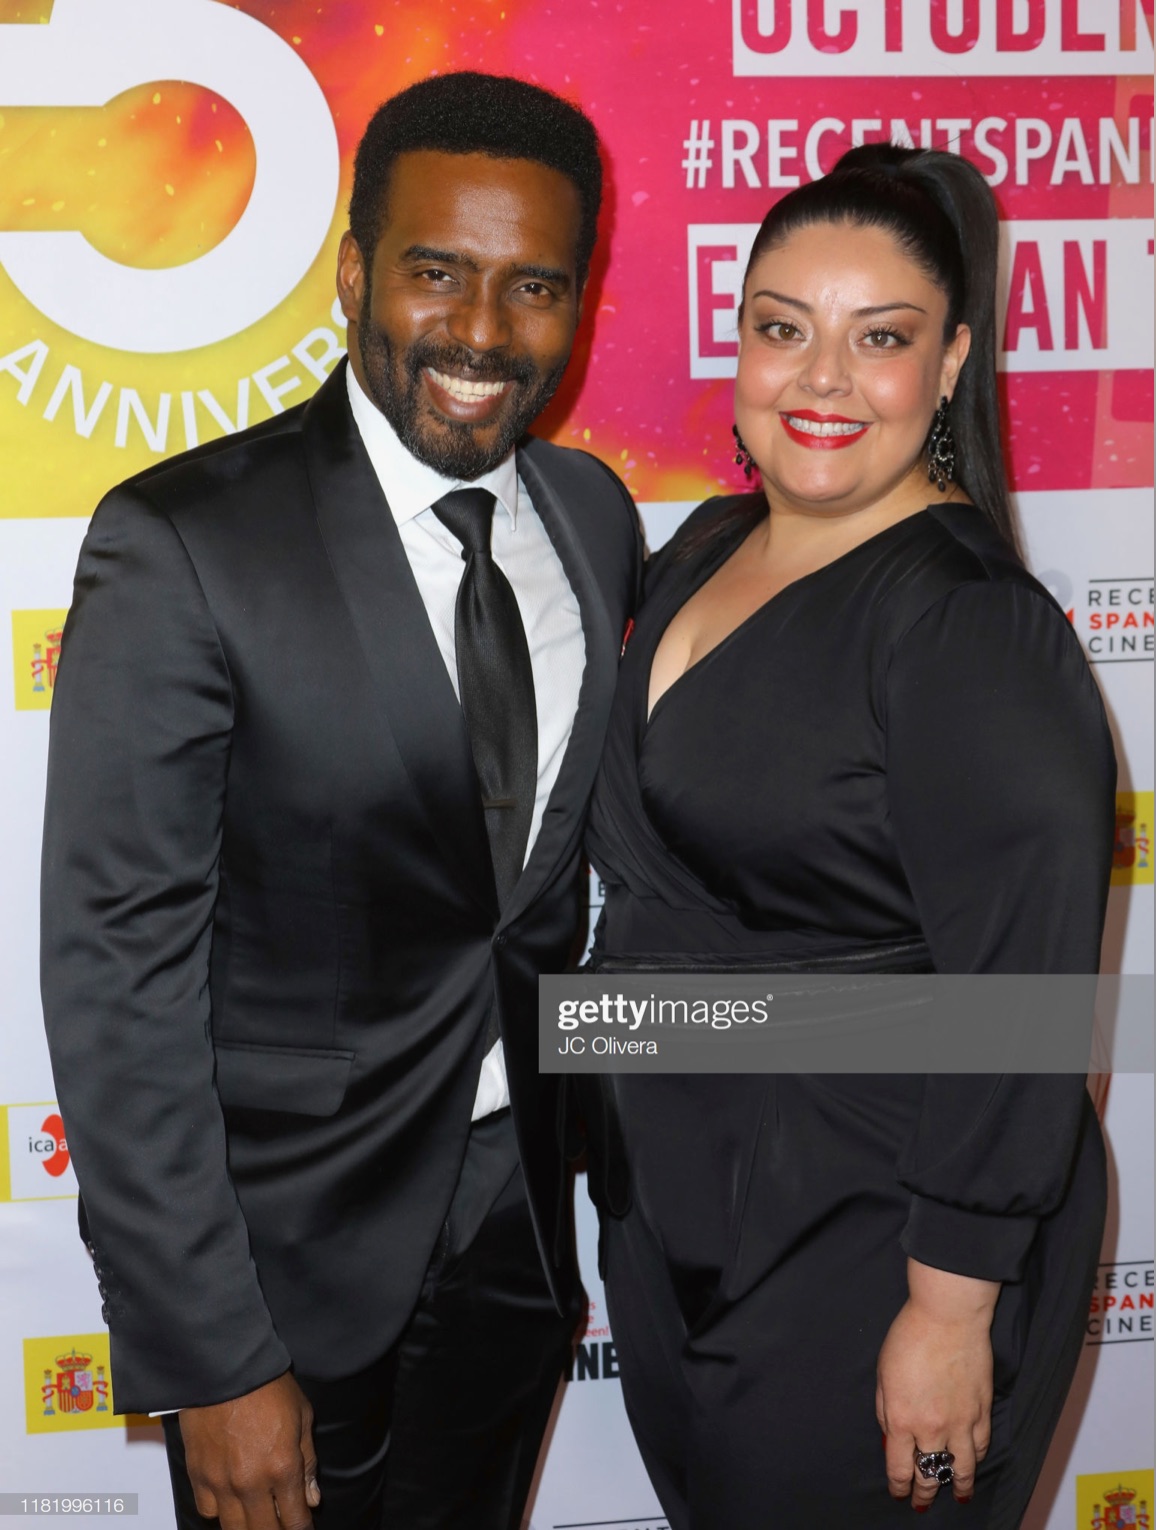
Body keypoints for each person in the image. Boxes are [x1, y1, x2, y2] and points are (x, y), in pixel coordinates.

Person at [40, 71, 640, 1530]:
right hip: (283, 1287)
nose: (486, 334)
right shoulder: (182, 544)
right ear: (357, 274)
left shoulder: (594, 516)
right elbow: (120, 979)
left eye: (534, 287)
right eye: (439, 273)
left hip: (518, 1239)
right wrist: (212, 1354)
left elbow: (541, 905)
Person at [581, 144, 1115, 1528]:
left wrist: (948, 1309)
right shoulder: (700, 545)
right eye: (782, 327)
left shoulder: (967, 628)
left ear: (949, 368)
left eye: (880, 339)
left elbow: (1024, 996)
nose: (820, 380)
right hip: (675, 1193)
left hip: (875, 1220)